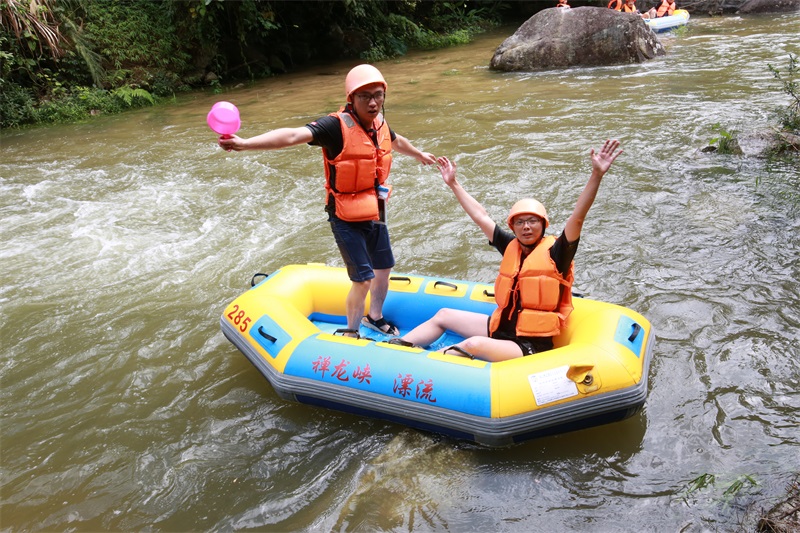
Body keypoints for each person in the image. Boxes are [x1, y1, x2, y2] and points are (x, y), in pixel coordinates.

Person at [218, 64, 436, 337]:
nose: (373, 102)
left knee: (384, 268)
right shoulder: (334, 126)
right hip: (344, 215)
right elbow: (293, 135)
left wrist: (419, 154)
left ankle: (374, 317)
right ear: (350, 99)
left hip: (375, 209)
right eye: (364, 96)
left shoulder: (379, 123)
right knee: (363, 279)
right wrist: (245, 143)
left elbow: (396, 140)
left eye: (378, 95)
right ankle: (351, 331)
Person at [389, 140, 623, 362]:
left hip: (528, 344)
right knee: (443, 315)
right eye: (520, 222)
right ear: (513, 226)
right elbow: (480, 217)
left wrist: (596, 175)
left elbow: (578, 218)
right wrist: (453, 184)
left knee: (473, 344)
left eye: (533, 221)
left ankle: (421, 364)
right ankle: (394, 350)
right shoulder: (511, 245)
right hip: (500, 327)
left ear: (543, 225)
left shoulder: (558, 252)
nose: (527, 227)